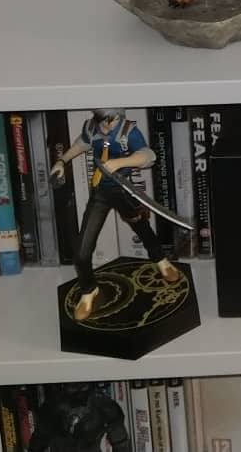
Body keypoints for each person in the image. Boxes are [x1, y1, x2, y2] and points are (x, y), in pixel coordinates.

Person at [48, 109, 181, 322]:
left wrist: (120, 162)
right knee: (82, 251)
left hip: (123, 190)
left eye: (110, 120)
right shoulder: (92, 127)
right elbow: (82, 144)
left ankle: (160, 259)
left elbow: (149, 156)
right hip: (100, 193)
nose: (106, 125)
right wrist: (62, 161)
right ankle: (89, 290)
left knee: (141, 227)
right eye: (103, 120)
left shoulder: (129, 131)